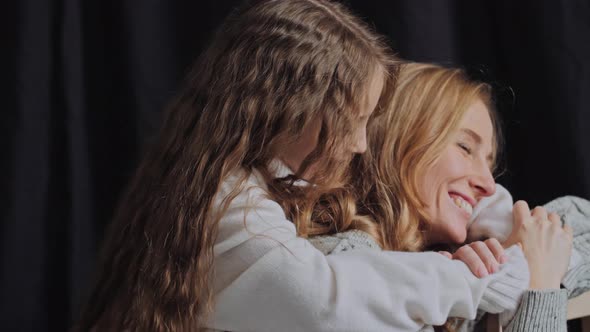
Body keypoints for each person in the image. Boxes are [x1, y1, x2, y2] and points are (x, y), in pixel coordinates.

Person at [76, 2, 532, 331]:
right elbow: (321, 303)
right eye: (351, 122)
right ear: (292, 110)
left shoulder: (280, 183)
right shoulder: (231, 202)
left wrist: (504, 222)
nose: (359, 144)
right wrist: (476, 279)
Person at [311, 62, 583, 331]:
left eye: (489, 166)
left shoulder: (451, 270)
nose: (489, 186)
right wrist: (538, 282)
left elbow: (580, 217)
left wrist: (509, 246)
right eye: (465, 148)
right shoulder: (342, 267)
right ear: (399, 141)